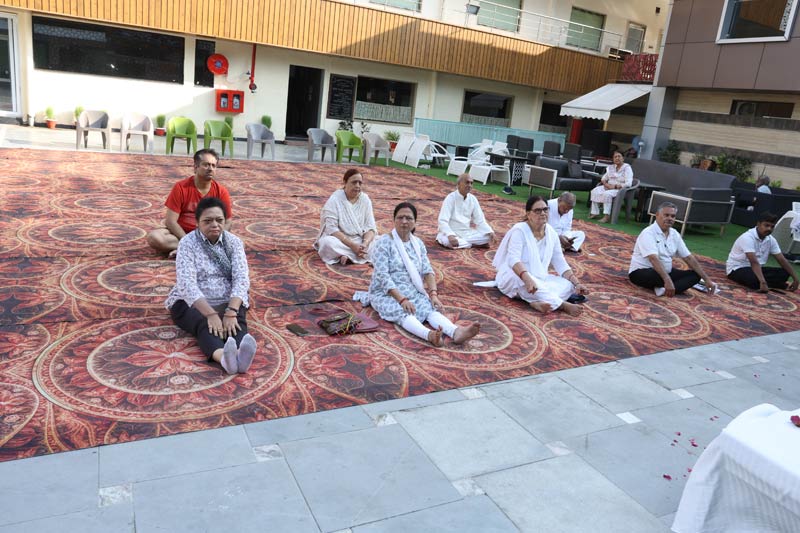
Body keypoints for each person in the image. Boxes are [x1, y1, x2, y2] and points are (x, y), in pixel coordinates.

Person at [366, 202, 480, 347]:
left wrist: (433, 295)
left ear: (415, 222)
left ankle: (455, 332)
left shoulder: (418, 243)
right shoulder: (383, 243)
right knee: (402, 311)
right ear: (394, 220)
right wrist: (402, 300)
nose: (404, 221)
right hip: (386, 293)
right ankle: (429, 335)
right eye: (400, 217)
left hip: (412, 290)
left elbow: (427, 270)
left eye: (409, 218)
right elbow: (383, 277)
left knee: (429, 308)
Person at [164, 197, 256, 374]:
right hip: (192, 302)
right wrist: (211, 314)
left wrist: (231, 311)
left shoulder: (234, 242)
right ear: (197, 223)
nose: (214, 225)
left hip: (227, 300)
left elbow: (241, 279)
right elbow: (186, 284)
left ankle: (240, 356)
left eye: (219, 220)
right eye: (207, 221)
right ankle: (224, 359)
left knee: (236, 323)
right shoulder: (187, 243)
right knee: (205, 324)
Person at [493, 195, 588, 315]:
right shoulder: (519, 230)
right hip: (516, 275)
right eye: (538, 210)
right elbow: (513, 259)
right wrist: (527, 279)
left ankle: (534, 301)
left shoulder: (551, 233)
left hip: (540, 279)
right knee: (521, 282)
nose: (543, 213)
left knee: (568, 285)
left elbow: (560, 262)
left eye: (545, 209)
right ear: (528, 214)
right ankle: (562, 305)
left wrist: (577, 283)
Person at [147, 148, 232, 257]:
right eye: (206, 165)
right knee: (155, 237)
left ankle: (188, 249)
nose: (210, 169)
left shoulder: (221, 191)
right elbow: (170, 221)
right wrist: (187, 241)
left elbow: (228, 222)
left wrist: (216, 238)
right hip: (181, 234)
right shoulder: (181, 187)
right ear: (195, 167)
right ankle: (200, 249)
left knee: (238, 244)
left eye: (213, 166)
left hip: (209, 235)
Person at [629, 202, 717, 297]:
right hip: (643, 271)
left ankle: (663, 289)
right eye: (666, 215)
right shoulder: (648, 233)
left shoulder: (674, 234)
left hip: (666, 272)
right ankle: (668, 285)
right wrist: (667, 280)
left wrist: (707, 279)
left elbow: (688, 258)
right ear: (657, 215)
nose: (670, 218)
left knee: (696, 275)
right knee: (656, 276)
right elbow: (653, 259)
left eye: (673, 216)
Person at [314, 168, 377, 265]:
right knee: (327, 243)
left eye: (360, 183)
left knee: (382, 242)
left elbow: (371, 227)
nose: (357, 186)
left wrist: (364, 244)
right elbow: (332, 229)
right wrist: (352, 246)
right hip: (340, 240)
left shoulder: (365, 199)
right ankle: (354, 254)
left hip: (360, 239)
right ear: (345, 182)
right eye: (354, 182)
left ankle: (346, 255)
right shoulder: (335, 199)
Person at [726, 212, 798, 292]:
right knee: (753, 279)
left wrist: (795, 279)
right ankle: (768, 283)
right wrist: (762, 282)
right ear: (758, 224)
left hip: (757, 269)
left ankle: (765, 282)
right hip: (737, 269)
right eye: (766, 225)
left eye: (772, 226)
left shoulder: (771, 240)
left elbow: (781, 259)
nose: (769, 229)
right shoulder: (747, 237)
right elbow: (754, 262)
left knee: (785, 273)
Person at [436, 174, 496, 249]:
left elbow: (480, 220)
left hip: (466, 232)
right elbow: (442, 220)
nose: (469, 185)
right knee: (447, 242)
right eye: (467, 182)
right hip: (451, 232)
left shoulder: (473, 199)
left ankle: (465, 243)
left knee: (488, 237)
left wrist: (490, 231)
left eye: (471, 183)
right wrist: (450, 235)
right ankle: (473, 244)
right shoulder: (450, 198)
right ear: (458, 184)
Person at [589, 151, 633, 223]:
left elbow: (629, 183)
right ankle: (595, 212)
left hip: (619, 189)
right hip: (608, 186)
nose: (617, 158)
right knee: (595, 191)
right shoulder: (611, 167)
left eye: (619, 156)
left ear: (623, 158)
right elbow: (603, 178)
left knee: (607, 194)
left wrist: (615, 186)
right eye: (615, 157)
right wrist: (606, 185)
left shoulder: (627, 168)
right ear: (613, 159)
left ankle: (607, 216)